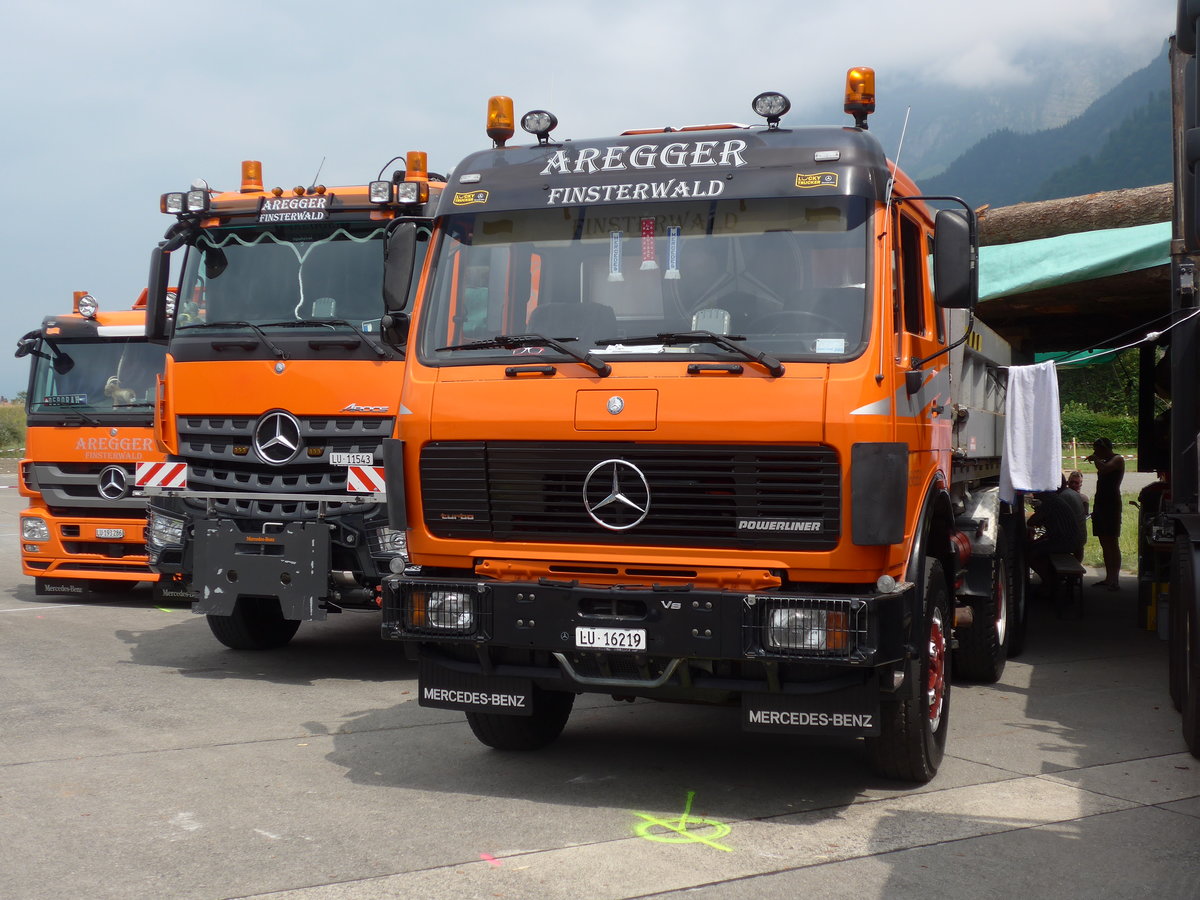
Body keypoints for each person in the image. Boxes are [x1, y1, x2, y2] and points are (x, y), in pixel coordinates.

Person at [1027, 483, 1082, 599]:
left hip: (1065, 542)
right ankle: (1050, 582)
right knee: (1037, 549)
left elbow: (1032, 521)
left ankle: (1050, 584)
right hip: (1068, 540)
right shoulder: (1055, 500)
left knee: (1030, 554)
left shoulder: (1049, 502)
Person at [1085, 437, 1125, 590]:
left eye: (1097, 449)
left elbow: (1104, 469)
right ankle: (1109, 578)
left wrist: (1095, 459)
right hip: (1101, 503)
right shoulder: (1106, 460)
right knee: (1104, 542)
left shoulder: (1118, 459)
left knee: (1112, 542)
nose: (1095, 452)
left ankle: (1115, 579)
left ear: (1104, 449)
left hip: (1111, 504)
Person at [1059, 473, 1088, 561]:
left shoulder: (1083, 498)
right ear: (1067, 482)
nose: (1074, 485)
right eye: (1072, 482)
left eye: (1076, 483)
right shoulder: (1073, 496)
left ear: (1081, 484)